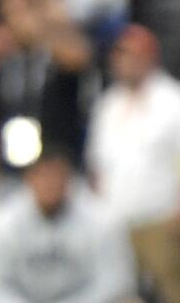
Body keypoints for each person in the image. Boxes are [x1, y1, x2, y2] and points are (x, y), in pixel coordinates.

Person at [86, 24, 180, 303]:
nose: (123, 62)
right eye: (119, 55)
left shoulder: (172, 100)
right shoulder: (108, 104)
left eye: (130, 55)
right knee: (119, 295)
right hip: (115, 223)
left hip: (161, 220)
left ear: (149, 57)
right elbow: (97, 166)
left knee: (172, 291)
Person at [0, 147, 138, 303]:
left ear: (69, 179)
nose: (50, 184)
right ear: (29, 179)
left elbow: (115, 282)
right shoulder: (3, 223)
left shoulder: (102, 220)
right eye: (43, 176)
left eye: (56, 176)